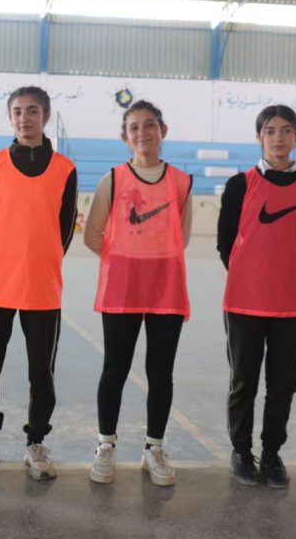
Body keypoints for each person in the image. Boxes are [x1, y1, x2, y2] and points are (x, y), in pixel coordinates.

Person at [0, 86, 77, 481]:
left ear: (45, 116)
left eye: (32, 111)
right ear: (10, 117)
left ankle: (36, 442)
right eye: (17, 111)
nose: (24, 118)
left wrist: (40, 259)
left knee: (41, 373)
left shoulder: (64, 168)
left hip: (42, 286)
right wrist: (3, 259)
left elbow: (65, 230)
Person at [84, 100, 192, 487]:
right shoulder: (112, 179)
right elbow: (92, 234)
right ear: (124, 136)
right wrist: (125, 260)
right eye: (134, 127)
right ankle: (106, 445)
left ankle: (154, 448)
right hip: (122, 289)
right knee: (115, 368)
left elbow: (181, 236)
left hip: (166, 288)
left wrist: (152, 260)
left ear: (163, 130)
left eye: (149, 125)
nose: (142, 132)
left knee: (160, 372)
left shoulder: (181, 181)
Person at [218, 104, 296, 489]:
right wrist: (254, 276)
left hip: (293, 303)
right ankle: (241, 451)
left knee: (283, 383)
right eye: (270, 131)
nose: (278, 137)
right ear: (259, 137)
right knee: (243, 380)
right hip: (245, 302)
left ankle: (272, 452)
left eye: (286, 130)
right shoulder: (240, 185)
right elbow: (225, 244)